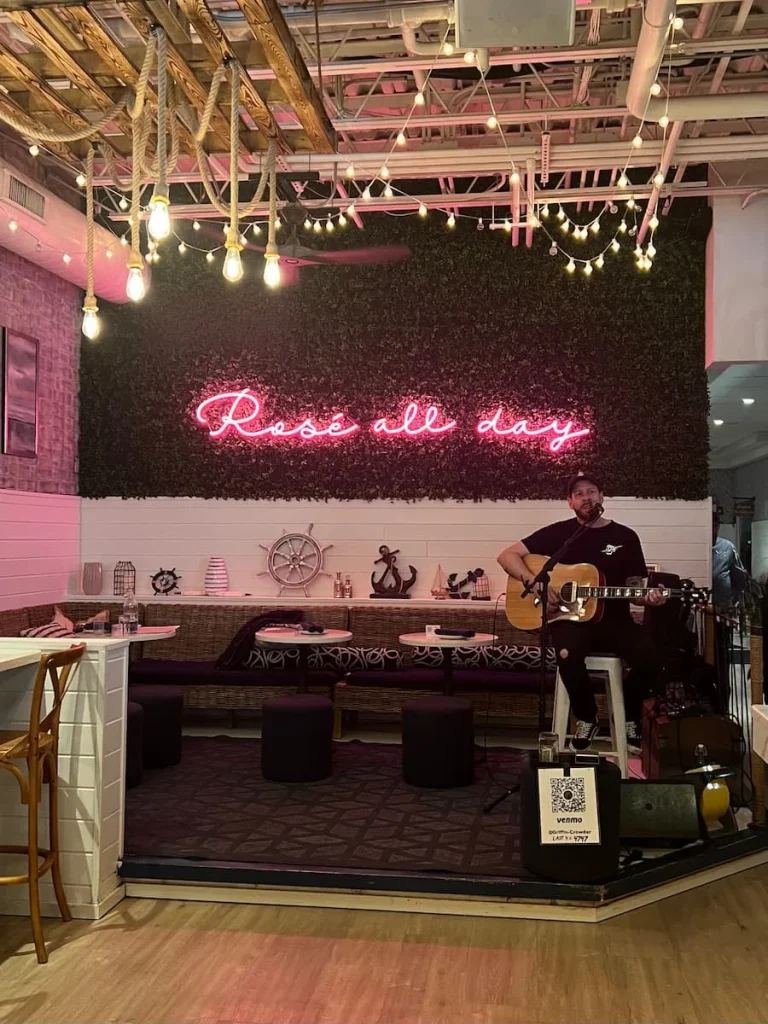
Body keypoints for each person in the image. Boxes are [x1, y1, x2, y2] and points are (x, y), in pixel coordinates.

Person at [497, 473, 667, 750]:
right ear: (570, 502)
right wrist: (536, 583)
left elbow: (635, 588)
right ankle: (587, 717)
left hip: (615, 621)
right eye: (579, 493)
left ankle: (629, 715)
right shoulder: (559, 534)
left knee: (650, 660)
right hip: (571, 621)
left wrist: (648, 598)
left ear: (602, 497)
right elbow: (506, 556)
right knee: (567, 654)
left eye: (591, 491)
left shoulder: (625, 536)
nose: (586, 497)